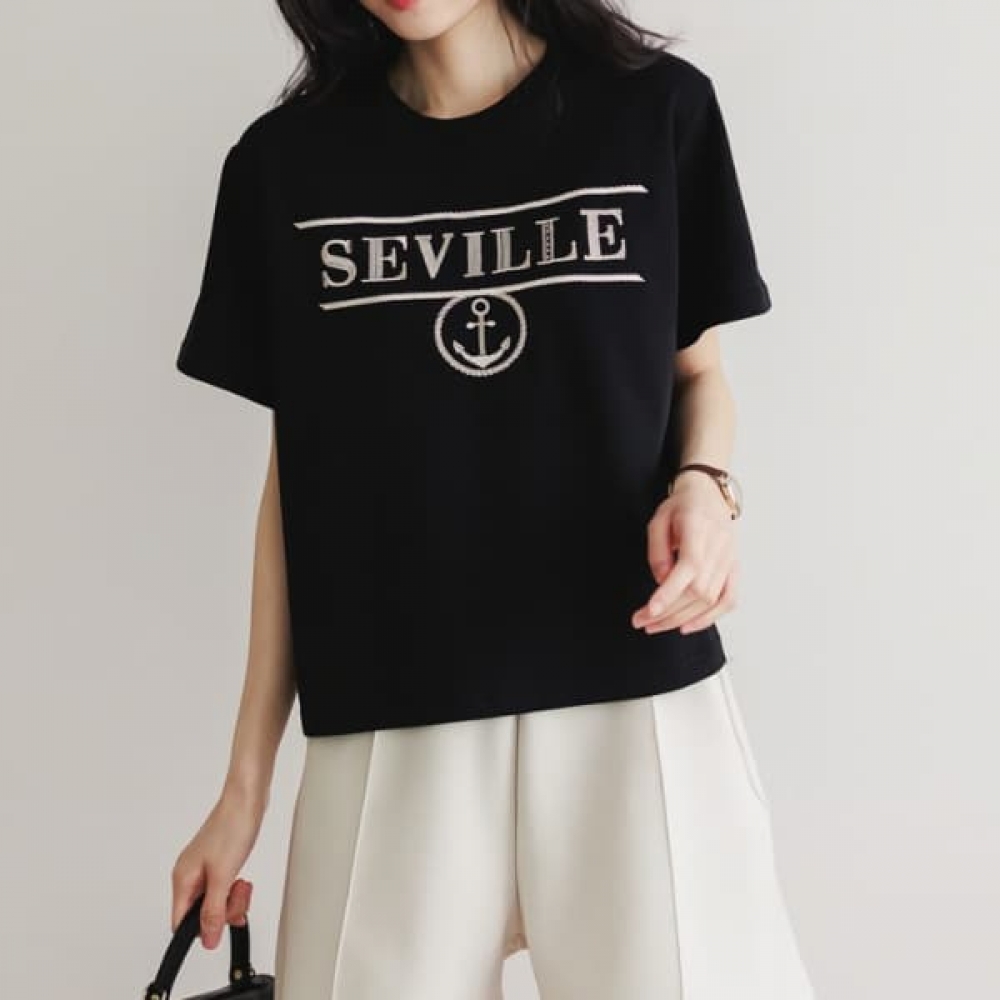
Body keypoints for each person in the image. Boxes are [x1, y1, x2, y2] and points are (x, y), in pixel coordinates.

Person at [169, 1, 817, 997]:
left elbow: (698, 376)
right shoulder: (287, 165)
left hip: (632, 694)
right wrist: (242, 787)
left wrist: (705, 488)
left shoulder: (652, 113)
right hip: (389, 712)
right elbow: (298, 478)